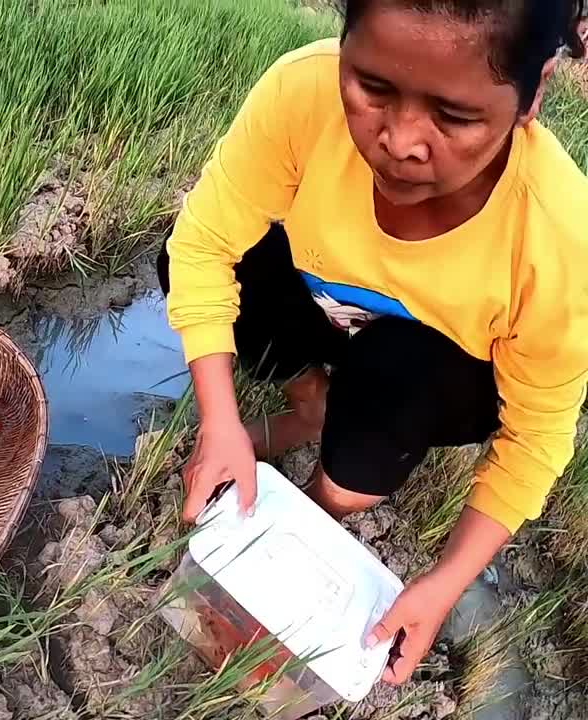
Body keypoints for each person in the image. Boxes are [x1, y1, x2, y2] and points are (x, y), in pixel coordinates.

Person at [158, 0, 588, 686]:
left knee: (395, 371)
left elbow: (536, 441)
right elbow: (204, 246)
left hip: (432, 371)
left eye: (455, 117)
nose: (401, 141)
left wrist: (445, 582)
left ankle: (328, 498)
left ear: (531, 95)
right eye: (373, 88)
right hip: (323, 305)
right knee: (218, 260)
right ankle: (311, 411)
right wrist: (219, 419)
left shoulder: (558, 234)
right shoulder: (302, 94)